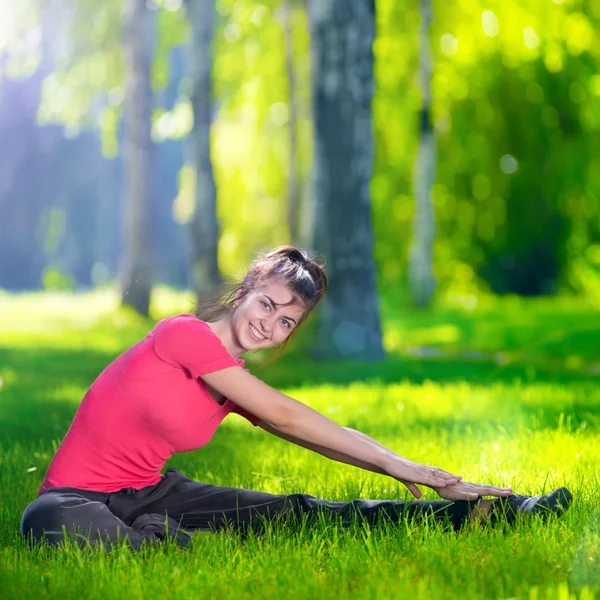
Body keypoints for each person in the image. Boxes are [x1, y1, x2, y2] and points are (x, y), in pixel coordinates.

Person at [20, 246, 572, 552]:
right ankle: (163, 542)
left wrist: (413, 472)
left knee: (299, 513)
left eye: (286, 321)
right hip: (74, 500)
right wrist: (397, 462)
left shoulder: (232, 380)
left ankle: (487, 512)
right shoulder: (182, 335)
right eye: (266, 305)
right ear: (243, 292)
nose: (270, 325)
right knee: (45, 521)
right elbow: (284, 411)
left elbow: (310, 431)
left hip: (154, 494)